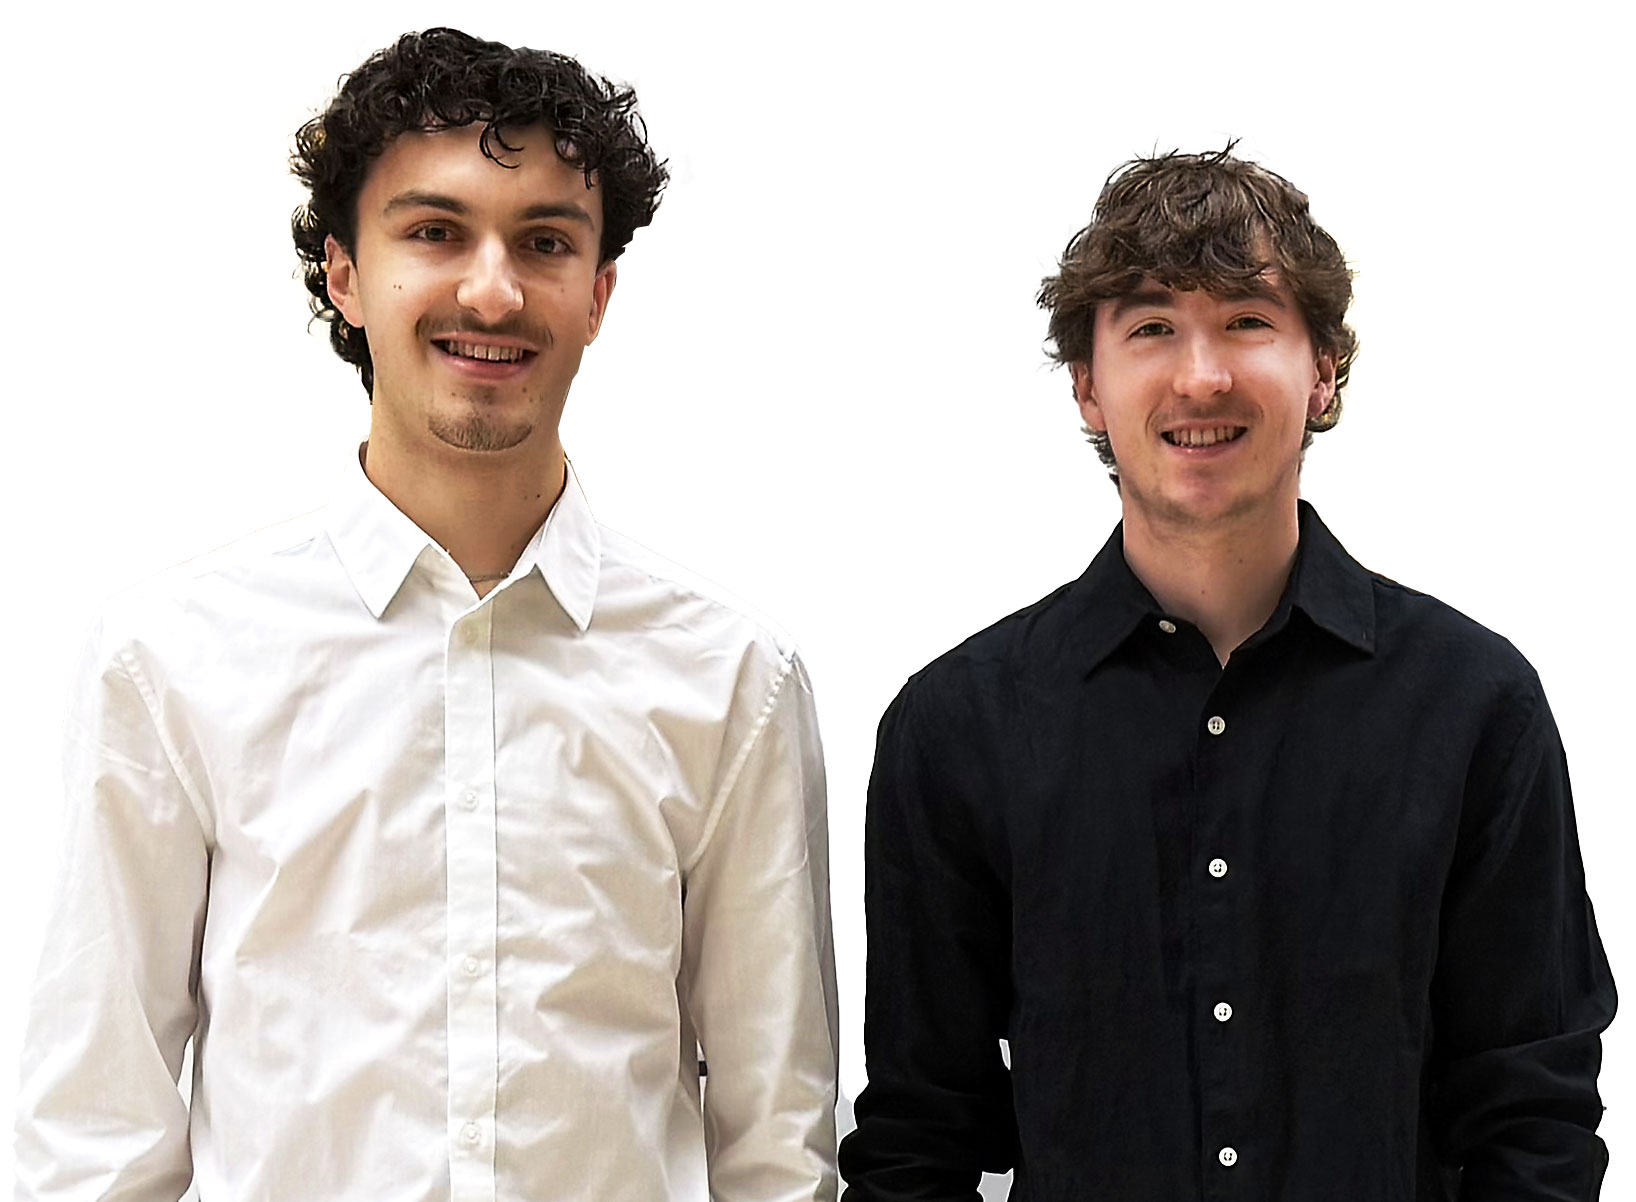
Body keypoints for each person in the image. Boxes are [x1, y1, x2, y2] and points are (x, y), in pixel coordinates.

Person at [15, 27, 837, 1202]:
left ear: (597, 294)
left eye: (545, 241)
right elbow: (95, 1141)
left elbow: (777, 1151)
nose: (492, 289)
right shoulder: (174, 660)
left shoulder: (731, 677)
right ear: (344, 274)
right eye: (435, 231)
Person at [838, 148, 1614, 1199]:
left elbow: (1534, 1122)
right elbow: (918, 1138)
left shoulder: (1476, 708)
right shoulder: (958, 728)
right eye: (1151, 327)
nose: (1201, 376)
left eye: (1247, 320)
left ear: (1322, 369)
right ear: (1087, 387)